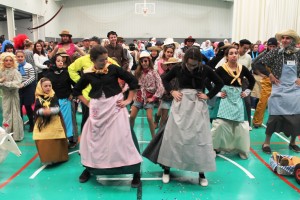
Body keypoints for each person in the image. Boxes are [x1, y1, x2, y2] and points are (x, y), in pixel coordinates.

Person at [72, 45, 142, 187]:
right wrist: (87, 103)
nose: (105, 62)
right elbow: (77, 90)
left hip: (115, 107)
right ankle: (90, 168)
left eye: (106, 59)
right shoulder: (88, 74)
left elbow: (133, 81)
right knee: (95, 140)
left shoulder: (113, 69)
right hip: (98, 109)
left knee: (124, 138)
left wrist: (128, 100)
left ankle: (135, 172)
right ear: (92, 60)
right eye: (101, 60)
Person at [155, 47, 223, 186]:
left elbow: (219, 83)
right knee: (173, 137)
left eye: (195, 64)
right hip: (181, 104)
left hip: (198, 105)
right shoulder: (178, 68)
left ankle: (201, 173)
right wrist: (172, 91)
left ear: (199, 61)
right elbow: (165, 79)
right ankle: (167, 169)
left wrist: (208, 95)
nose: (192, 67)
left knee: (199, 138)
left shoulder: (205, 69)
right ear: (185, 60)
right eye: (190, 63)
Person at [254, 29, 300, 153]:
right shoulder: (275, 53)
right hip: (279, 88)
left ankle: (293, 142)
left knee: (296, 118)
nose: (284, 40)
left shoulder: (298, 54)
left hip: (295, 90)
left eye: (288, 38)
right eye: (283, 38)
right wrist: (269, 74)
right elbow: (257, 63)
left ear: (293, 40)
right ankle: (266, 142)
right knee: (274, 117)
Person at [211, 46, 255, 159]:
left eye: (236, 53)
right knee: (220, 125)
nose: (234, 55)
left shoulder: (242, 68)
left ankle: (241, 149)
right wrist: (217, 93)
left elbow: (252, 80)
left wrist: (247, 92)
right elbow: (208, 81)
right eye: (231, 53)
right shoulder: (221, 69)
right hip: (225, 100)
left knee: (241, 126)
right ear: (226, 56)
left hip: (238, 99)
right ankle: (214, 148)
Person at [68, 36, 119, 132]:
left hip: (103, 97)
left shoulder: (107, 60)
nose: (92, 48)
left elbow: (118, 70)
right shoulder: (83, 59)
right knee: (87, 120)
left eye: (94, 46)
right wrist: (81, 82)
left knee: (103, 120)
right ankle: (85, 140)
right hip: (87, 96)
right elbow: (71, 69)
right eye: (90, 46)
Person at [33, 77, 69, 164]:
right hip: (42, 123)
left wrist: (50, 111)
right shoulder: (38, 98)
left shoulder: (53, 96)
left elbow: (57, 108)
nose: (48, 88)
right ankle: (47, 158)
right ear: (40, 87)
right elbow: (36, 110)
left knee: (56, 139)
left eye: (49, 86)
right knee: (43, 140)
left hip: (54, 121)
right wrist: (42, 111)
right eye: (45, 86)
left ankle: (59, 157)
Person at [45, 54, 77, 148]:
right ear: (54, 62)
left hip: (66, 101)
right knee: (56, 122)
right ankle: (58, 140)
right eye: (58, 60)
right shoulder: (48, 75)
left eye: (62, 61)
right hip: (54, 102)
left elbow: (75, 84)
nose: (60, 62)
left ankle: (70, 140)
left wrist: (72, 93)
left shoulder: (66, 73)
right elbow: (44, 88)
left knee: (68, 121)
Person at [129, 51, 164, 138]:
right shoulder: (137, 72)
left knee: (149, 118)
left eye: (145, 61)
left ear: (149, 61)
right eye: (142, 61)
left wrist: (153, 98)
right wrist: (134, 94)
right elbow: (133, 84)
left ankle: (153, 138)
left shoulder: (154, 72)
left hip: (149, 97)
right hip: (139, 96)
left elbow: (160, 86)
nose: (144, 63)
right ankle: (129, 136)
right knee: (132, 117)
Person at [251, 37, 278, 128]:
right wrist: (260, 74)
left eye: (274, 46)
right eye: (270, 46)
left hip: (279, 81)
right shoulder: (263, 54)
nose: (272, 48)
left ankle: (276, 124)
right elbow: (254, 64)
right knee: (262, 102)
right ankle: (256, 122)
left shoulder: (280, 54)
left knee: (278, 104)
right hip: (267, 81)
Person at [0, 52, 24, 141]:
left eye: (10, 60)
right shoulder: (1, 72)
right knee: (6, 115)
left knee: (15, 114)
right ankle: (6, 135)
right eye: (6, 60)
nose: (8, 62)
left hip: (14, 96)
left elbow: (17, 84)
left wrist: (4, 83)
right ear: (3, 62)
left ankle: (16, 135)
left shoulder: (15, 72)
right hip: (6, 96)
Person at [16, 50, 36, 132]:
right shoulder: (15, 66)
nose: (20, 58)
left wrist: (23, 84)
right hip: (18, 89)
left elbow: (32, 77)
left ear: (24, 57)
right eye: (18, 56)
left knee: (28, 107)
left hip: (28, 89)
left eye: (22, 56)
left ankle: (32, 124)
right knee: (19, 107)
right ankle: (21, 126)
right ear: (16, 57)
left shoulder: (29, 66)